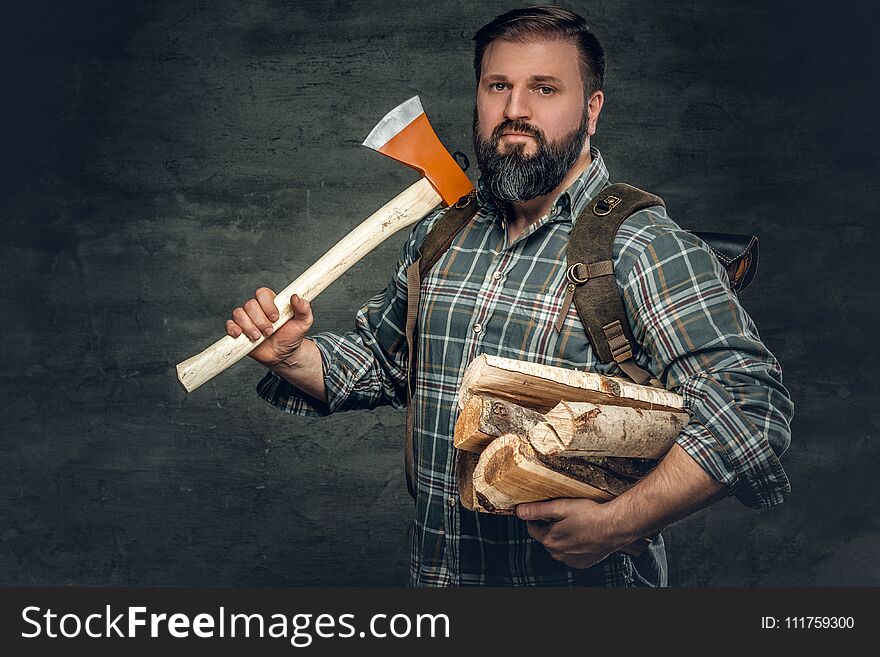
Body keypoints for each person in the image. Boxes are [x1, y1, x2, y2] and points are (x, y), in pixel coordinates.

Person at [225, 6, 792, 586]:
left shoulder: (643, 248)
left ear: (591, 109)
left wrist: (618, 525)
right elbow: (387, 363)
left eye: (544, 89)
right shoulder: (444, 232)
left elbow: (752, 413)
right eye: (499, 86)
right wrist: (295, 356)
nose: (515, 111)